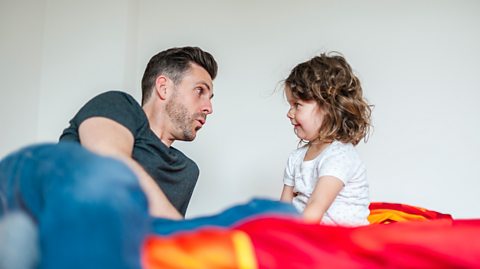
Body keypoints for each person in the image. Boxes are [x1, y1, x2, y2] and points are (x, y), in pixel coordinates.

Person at [59, 46, 218, 219]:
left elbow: (161, 236)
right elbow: (110, 166)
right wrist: (181, 230)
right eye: (199, 91)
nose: (208, 108)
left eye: (210, 98)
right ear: (164, 88)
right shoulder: (117, 105)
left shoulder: (186, 171)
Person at [280, 52, 372, 226]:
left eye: (297, 105)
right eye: (289, 105)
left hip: (339, 239)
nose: (289, 113)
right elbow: (283, 208)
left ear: (327, 107)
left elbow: (316, 207)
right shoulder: (296, 157)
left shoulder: (339, 156)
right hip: (310, 233)